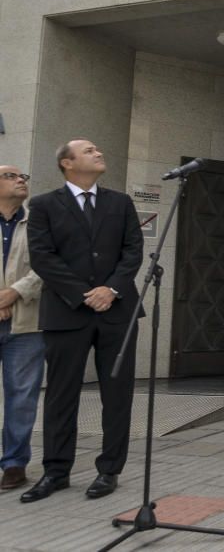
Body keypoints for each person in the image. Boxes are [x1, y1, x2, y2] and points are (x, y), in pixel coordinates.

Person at [22, 140, 144, 503]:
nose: (98, 152)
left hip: (117, 312)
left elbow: (133, 250)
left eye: (97, 149)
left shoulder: (120, 202)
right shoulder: (43, 205)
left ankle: (109, 470)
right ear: (66, 163)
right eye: (88, 150)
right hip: (66, 311)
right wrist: (83, 294)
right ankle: (56, 471)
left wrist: (111, 289)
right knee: (61, 395)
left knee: (117, 394)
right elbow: (42, 257)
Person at [0, 166, 44, 491]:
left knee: (22, 396)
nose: (21, 180)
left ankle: (14, 465)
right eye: (11, 176)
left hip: (26, 325)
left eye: (23, 177)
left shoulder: (39, 223)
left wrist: (14, 293)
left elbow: (48, 264)